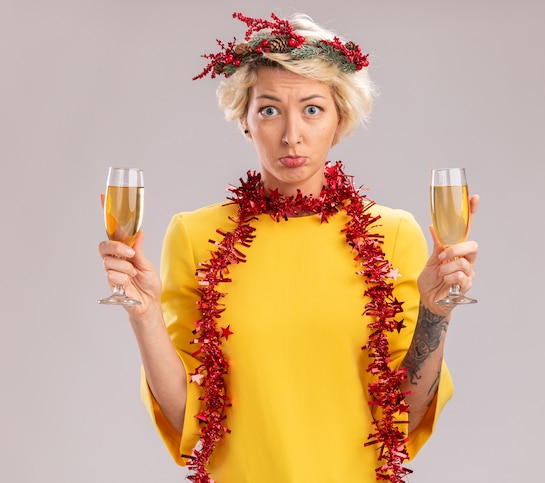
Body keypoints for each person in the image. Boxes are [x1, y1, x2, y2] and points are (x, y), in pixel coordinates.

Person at [98, 11, 479, 483]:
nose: (291, 133)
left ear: (340, 120)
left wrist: (437, 313)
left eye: (313, 109)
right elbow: (189, 423)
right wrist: (144, 314)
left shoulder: (394, 234)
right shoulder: (195, 236)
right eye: (269, 109)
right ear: (245, 120)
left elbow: (403, 414)